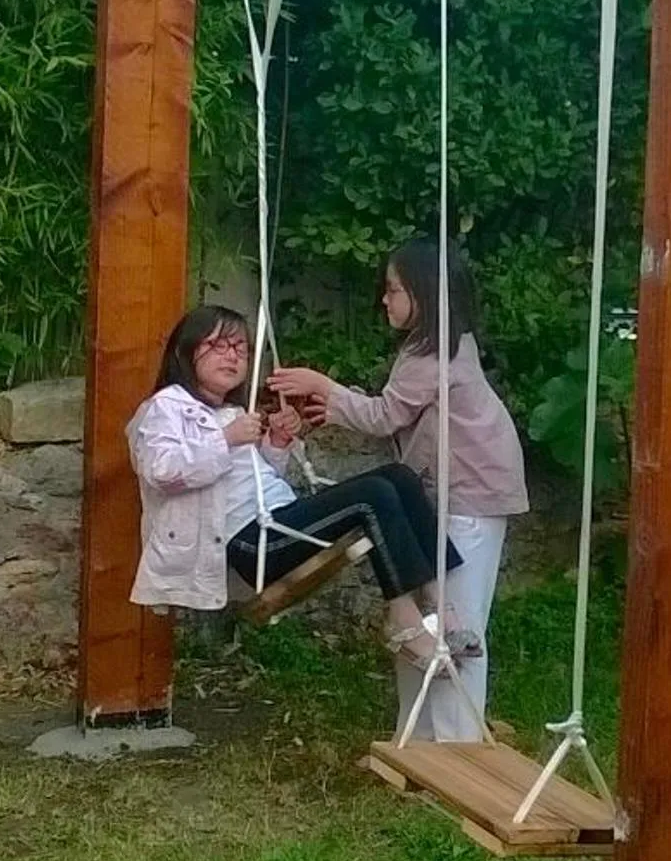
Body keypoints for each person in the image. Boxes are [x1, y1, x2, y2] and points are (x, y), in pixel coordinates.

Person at [270, 238, 527, 741]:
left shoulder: (433, 355)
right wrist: (338, 405)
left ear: (424, 294)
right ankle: (419, 740)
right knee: (426, 621)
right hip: (447, 496)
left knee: (457, 624)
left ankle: (457, 749)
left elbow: (385, 413)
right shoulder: (433, 347)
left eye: (392, 290)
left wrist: (323, 386)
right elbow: (400, 413)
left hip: (469, 499)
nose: (383, 300)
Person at [126, 304, 467, 672]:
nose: (233, 356)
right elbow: (161, 470)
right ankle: (403, 624)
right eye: (219, 345)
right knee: (375, 497)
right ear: (185, 351)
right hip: (251, 545)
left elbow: (254, 484)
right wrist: (225, 440)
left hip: (274, 522)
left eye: (240, 347)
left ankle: (441, 607)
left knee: (400, 477)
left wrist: (275, 442)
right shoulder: (165, 408)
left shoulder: (230, 414)